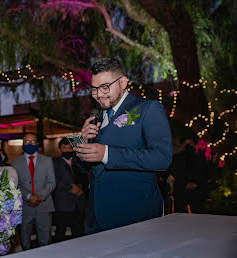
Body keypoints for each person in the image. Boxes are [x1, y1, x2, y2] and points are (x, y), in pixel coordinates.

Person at [74, 58, 172, 234]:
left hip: (134, 217)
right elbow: (84, 168)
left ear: (123, 82)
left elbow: (161, 158)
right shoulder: (95, 117)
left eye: (105, 86)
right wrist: (83, 144)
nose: (98, 94)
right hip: (96, 219)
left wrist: (107, 154)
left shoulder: (148, 109)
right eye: (94, 88)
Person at [11, 132, 55, 250]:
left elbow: (51, 183)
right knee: (24, 240)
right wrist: (29, 196)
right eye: (26, 142)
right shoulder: (15, 162)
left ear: (37, 144)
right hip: (25, 206)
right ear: (22, 144)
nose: (29, 144)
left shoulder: (47, 160)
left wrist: (39, 197)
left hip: (44, 206)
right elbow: (16, 184)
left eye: (32, 142)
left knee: (45, 241)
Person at [52, 138, 86, 242]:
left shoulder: (80, 161)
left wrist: (81, 187)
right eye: (64, 148)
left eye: (70, 148)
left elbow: (86, 176)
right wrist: (71, 188)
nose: (67, 150)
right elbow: (54, 179)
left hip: (79, 202)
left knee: (79, 231)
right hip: (63, 203)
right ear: (60, 149)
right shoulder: (54, 162)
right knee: (60, 232)